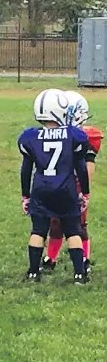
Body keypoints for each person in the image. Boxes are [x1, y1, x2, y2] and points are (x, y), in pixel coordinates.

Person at [18, 88, 90, 284]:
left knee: (38, 230)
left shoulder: (30, 136)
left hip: (41, 189)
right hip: (65, 189)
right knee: (73, 230)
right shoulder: (73, 135)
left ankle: (34, 272)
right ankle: (79, 274)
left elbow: (26, 170)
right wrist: (85, 192)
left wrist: (26, 195)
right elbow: (80, 167)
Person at [42, 90, 103, 275]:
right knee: (54, 223)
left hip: (74, 185)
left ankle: (85, 258)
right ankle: (50, 258)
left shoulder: (85, 136)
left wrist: (83, 191)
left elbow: (88, 167)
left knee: (78, 225)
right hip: (58, 183)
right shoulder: (61, 134)